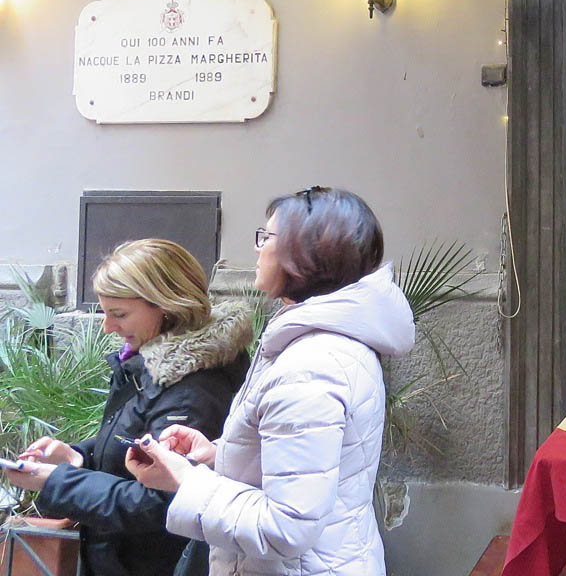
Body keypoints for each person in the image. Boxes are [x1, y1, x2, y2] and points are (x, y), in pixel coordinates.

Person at [126, 186, 415, 576]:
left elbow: (286, 528)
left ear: (305, 255)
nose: (258, 248)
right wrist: (218, 455)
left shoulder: (311, 367)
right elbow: (307, 467)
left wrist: (185, 480)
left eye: (267, 237)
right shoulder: (323, 342)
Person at [4, 239, 254, 576]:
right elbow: (131, 444)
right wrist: (79, 456)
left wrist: (56, 482)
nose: (108, 327)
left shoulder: (196, 388)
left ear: (167, 306)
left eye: (119, 314)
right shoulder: (150, 363)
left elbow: (157, 503)